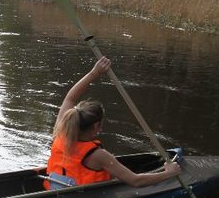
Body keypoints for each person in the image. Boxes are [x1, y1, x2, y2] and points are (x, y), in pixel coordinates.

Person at [45, 57, 181, 190]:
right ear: (95, 126)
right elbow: (136, 181)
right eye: (101, 124)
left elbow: (69, 99)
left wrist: (94, 73)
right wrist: (169, 173)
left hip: (54, 190)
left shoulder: (60, 133)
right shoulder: (99, 156)